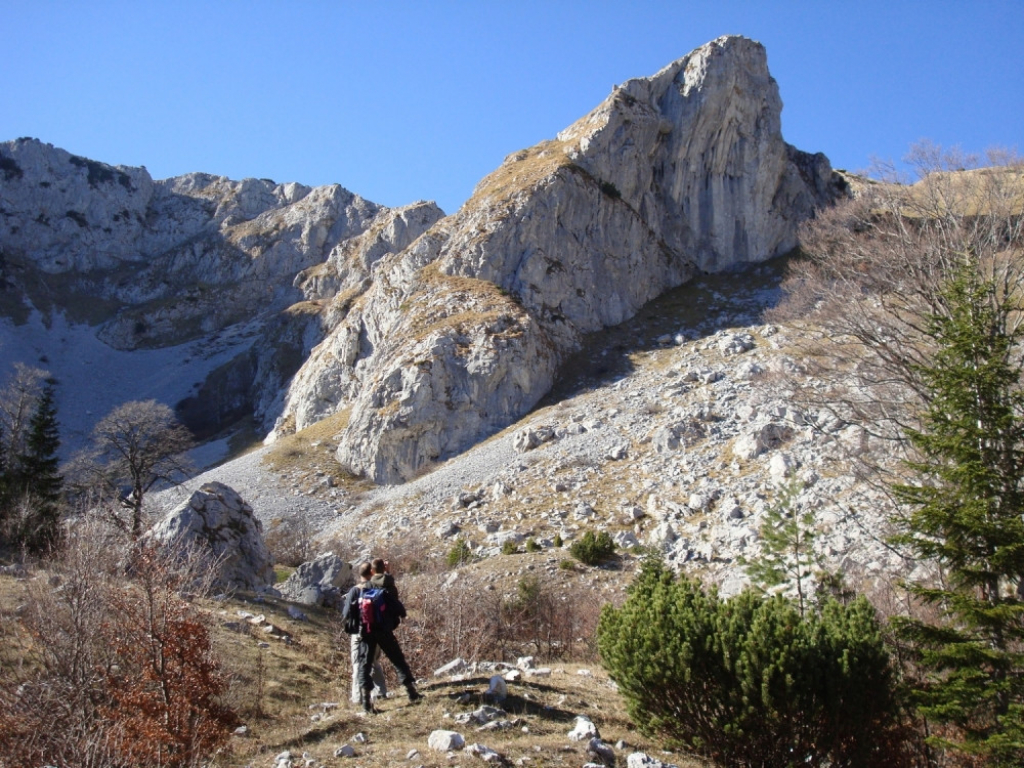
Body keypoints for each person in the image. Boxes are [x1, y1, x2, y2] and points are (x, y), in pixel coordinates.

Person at [354, 557, 421, 712]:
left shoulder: (366, 586)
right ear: (384, 570)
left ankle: (366, 703)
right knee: (398, 660)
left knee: (365, 665)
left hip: (367, 630)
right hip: (384, 630)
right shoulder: (389, 586)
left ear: (371, 571)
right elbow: (399, 609)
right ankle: (411, 692)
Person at [345, 561, 386, 705]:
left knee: (358, 663)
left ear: (360, 574)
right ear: (372, 573)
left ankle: (358, 697)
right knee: (374, 662)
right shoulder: (379, 589)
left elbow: (346, 614)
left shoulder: (354, 591)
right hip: (377, 632)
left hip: (359, 633)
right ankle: (381, 692)